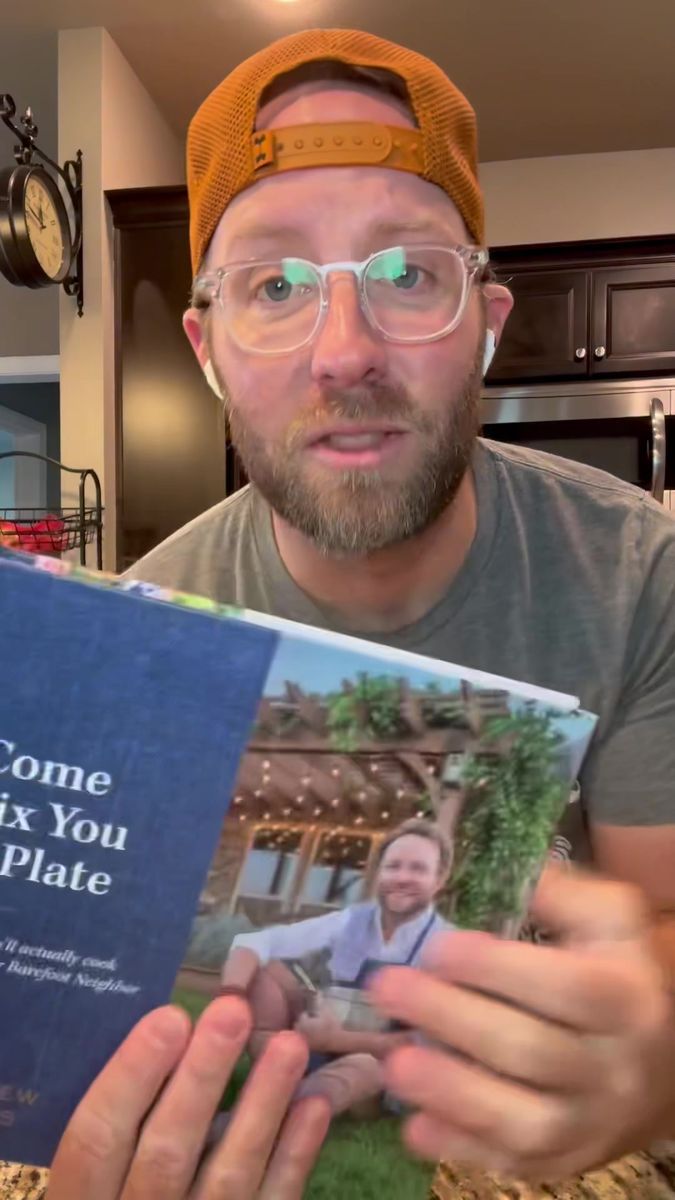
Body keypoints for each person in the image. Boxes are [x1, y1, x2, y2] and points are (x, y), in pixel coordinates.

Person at [14, 26, 675, 1200]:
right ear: (207, 349)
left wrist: (655, 1042)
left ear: (485, 321)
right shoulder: (143, 639)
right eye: (273, 286)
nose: (345, 351)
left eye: (407, 274)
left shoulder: (643, 576)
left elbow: (661, 920)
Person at [220, 819, 452, 1110]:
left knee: (364, 1067)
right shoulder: (353, 920)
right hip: (326, 1039)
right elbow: (254, 943)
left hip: (380, 1068)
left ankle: (271, 1112)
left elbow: (422, 1044)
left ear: (440, 879)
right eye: (393, 866)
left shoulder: (447, 948)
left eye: (418, 869)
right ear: (379, 872)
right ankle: (272, 1068)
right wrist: (230, 998)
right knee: (266, 971)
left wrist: (334, 1039)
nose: (402, 878)